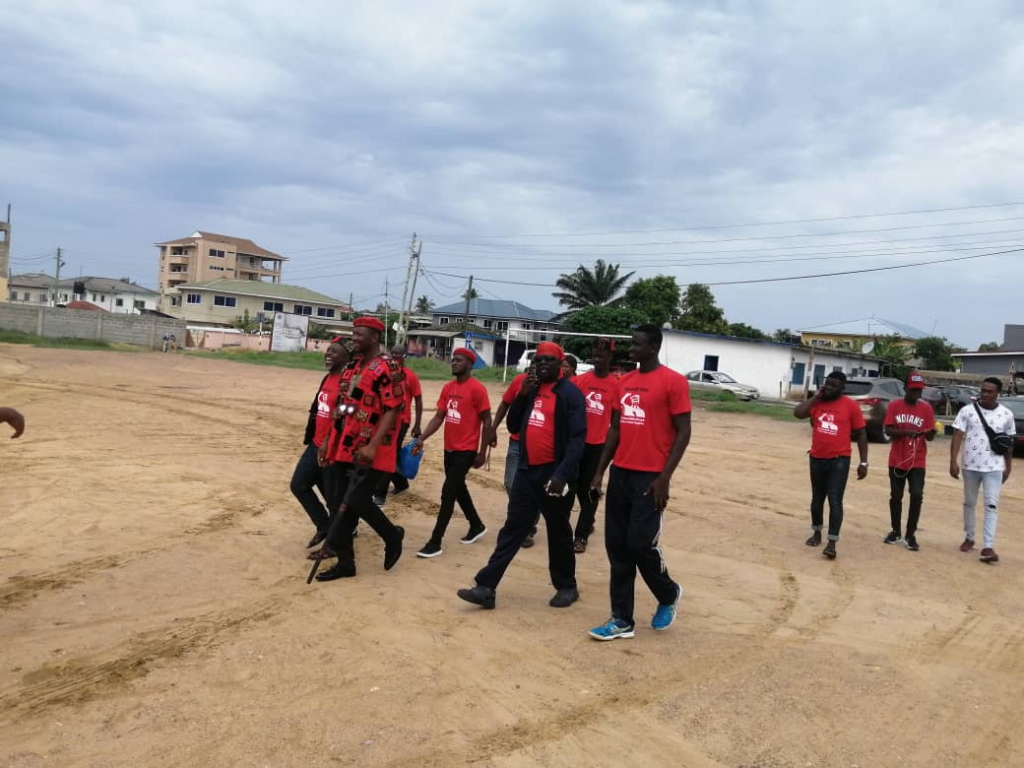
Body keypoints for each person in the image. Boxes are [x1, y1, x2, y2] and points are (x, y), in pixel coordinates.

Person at [458, 342, 586, 610]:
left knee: (558, 531)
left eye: (548, 360)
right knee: (513, 529)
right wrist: (522, 396)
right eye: (538, 360)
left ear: (560, 364)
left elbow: (577, 439)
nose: (541, 365)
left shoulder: (570, 394)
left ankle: (567, 586)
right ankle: (486, 587)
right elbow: (514, 425)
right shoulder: (532, 388)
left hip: (555, 475)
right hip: (528, 472)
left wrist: (562, 474)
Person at [587, 326, 691, 641]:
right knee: (617, 548)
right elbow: (615, 429)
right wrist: (599, 472)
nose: (631, 349)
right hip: (622, 473)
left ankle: (668, 592)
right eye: (631, 344)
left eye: (637, 344)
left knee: (640, 544)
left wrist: (665, 477)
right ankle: (621, 619)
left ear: (654, 347)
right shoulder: (625, 382)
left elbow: (683, 432)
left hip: (651, 477)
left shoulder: (674, 382)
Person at [314, 317, 406, 581]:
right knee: (336, 503)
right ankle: (346, 563)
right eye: (352, 334)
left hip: (372, 447)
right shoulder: (352, 364)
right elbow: (344, 404)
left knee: (357, 500)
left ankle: (392, 536)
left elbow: (394, 408)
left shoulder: (388, 366)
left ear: (375, 337)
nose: (353, 338)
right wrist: (330, 438)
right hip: (343, 444)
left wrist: (372, 445)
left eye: (359, 335)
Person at [412, 347, 491, 557]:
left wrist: (482, 452)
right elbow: (439, 417)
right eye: (453, 360)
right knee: (458, 488)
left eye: (458, 360)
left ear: (470, 364)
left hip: (466, 449)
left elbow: (487, 420)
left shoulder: (477, 389)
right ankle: (476, 525)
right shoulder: (448, 388)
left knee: (448, 493)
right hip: (449, 448)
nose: (453, 363)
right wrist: (421, 438)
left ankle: (435, 542)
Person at [793, 371, 869, 560]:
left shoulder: (851, 406)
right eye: (827, 384)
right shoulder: (818, 402)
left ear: (843, 388)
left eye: (834, 385)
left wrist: (864, 462)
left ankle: (832, 542)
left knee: (835, 500)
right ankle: (817, 532)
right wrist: (816, 397)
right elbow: (798, 413)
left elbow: (861, 434)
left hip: (839, 460)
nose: (830, 388)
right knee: (817, 498)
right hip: (817, 458)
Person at [292, 337, 349, 556]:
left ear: (347, 357)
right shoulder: (328, 377)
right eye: (328, 350)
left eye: (335, 352)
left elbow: (345, 418)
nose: (329, 354)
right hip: (316, 444)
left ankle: (334, 544)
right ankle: (326, 526)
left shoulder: (346, 382)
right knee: (299, 485)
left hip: (333, 449)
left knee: (334, 499)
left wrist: (329, 443)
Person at [950, 377, 1015, 563]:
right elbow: (957, 435)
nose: (985, 394)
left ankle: (988, 546)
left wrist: (1008, 467)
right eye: (983, 390)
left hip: (994, 468)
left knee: (991, 505)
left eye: (990, 391)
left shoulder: (1006, 415)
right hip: (970, 466)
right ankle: (969, 537)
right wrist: (952, 461)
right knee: (969, 503)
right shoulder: (967, 411)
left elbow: (1008, 444)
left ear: (997, 394)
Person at [570, 338, 620, 553]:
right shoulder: (580, 381)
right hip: (576, 442)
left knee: (590, 489)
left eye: (602, 356)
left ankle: (581, 535)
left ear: (610, 357)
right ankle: (587, 520)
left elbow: (616, 422)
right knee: (572, 488)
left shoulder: (616, 385)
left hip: (598, 446)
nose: (598, 360)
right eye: (595, 356)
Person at [882, 373, 936, 551]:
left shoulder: (926, 409)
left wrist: (930, 433)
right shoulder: (895, 406)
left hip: (917, 459)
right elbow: (888, 430)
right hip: (897, 458)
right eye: (913, 390)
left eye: (919, 391)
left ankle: (910, 533)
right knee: (896, 496)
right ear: (905, 388)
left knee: (917, 495)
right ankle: (896, 530)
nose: (916, 394)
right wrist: (905, 432)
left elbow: (930, 437)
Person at [487, 366, 538, 548]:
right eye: (534, 365)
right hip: (517, 442)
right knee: (511, 482)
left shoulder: (552, 387)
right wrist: (492, 428)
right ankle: (521, 519)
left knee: (533, 486)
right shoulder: (519, 381)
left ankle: (527, 527)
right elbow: (505, 404)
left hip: (538, 445)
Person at [373, 344, 423, 506]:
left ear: (404, 357)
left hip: (402, 421)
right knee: (388, 453)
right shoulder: (385, 373)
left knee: (389, 453)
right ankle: (401, 484)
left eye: (397, 355)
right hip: (386, 420)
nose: (393, 357)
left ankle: (380, 494)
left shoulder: (411, 376)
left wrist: (417, 425)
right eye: (391, 354)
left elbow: (419, 400)